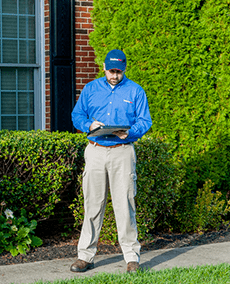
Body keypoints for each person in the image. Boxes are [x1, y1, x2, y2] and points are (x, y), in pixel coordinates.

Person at [70, 49, 152, 273]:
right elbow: (77, 115)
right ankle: (85, 256)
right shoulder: (91, 89)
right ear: (104, 67)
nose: (115, 75)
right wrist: (88, 126)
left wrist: (132, 132)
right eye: (111, 71)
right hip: (95, 150)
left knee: (125, 204)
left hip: (122, 151)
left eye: (119, 71)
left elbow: (145, 120)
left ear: (124, 69)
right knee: (93, 204)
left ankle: (131, 257)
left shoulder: (135, 91)